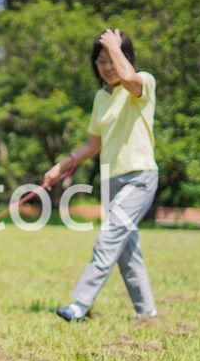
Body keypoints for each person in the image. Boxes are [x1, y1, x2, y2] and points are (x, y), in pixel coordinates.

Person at [43, 29, 158, 323]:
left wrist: (113, 46)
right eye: (100, 60)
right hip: (111, 181)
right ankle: (146, 313)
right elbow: (93, 144)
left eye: (112, 59)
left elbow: (130, 80)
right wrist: (62, 166)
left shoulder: (142, 82)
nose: (107, 67)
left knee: (108, 239)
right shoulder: (101, 97)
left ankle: (79, 305)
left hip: (139, 177)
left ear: (125, 56)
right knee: (125, 249)